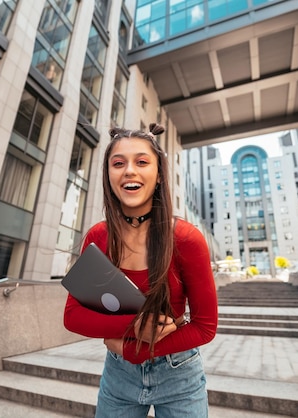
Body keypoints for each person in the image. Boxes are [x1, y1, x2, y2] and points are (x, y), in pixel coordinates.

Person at [63, 123, 218, 417]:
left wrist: (135, 350)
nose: (129, 171)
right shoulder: (99, 237)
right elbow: (73, 316)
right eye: (118, 163)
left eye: (142, 162)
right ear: (109, 176)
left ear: (159, 175)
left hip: (179, 372)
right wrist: (134, 326)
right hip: (118, 374)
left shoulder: (186, 239)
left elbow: (205, 326)